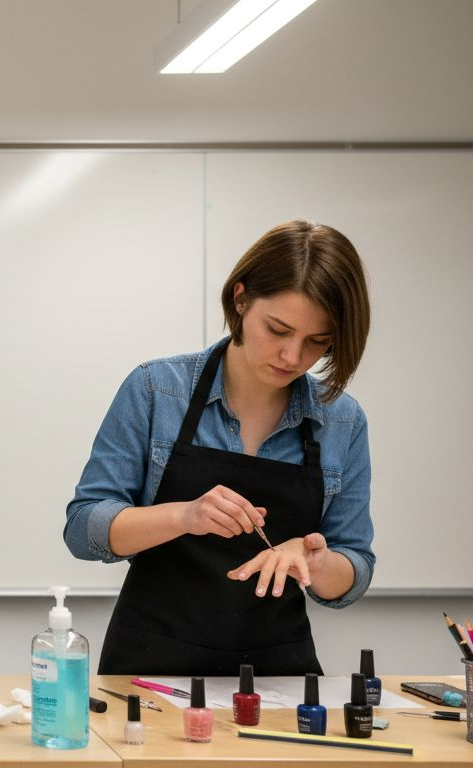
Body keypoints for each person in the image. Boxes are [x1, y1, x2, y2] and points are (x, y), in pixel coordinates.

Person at [65, 220, 374, 676]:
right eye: (278, 329)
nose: (292, 357)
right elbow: (82, 529)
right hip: (151, 666)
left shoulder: (342, 420)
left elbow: (355, 568)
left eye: (317, 342)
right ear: (241, 298)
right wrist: (183, 516)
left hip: (278, 674)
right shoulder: (156, 389)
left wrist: (315, 561)